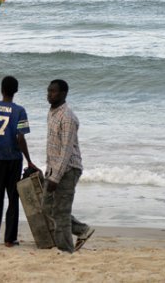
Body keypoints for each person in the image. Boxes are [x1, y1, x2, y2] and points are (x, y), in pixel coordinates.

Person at [0, 76, 36, 247]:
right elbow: (20, 138)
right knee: (13, 199)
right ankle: (10, 239)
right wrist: (29, 160)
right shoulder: (20, 111)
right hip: (14, 160)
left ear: (1, 89)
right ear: (16, 91)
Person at [42, 79, 94, 253]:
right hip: (53, 169)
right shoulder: (52, 113)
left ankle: (65, 250)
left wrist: (55, 177)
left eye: (53, 91)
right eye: (49, 91)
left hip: (68, 170)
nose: (49, 94)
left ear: (63, 94)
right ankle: (81, 230)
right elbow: (53, 145)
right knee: (47, 207)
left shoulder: (68, 117)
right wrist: (49, 170)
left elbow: (65, 151)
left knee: (61, 212)